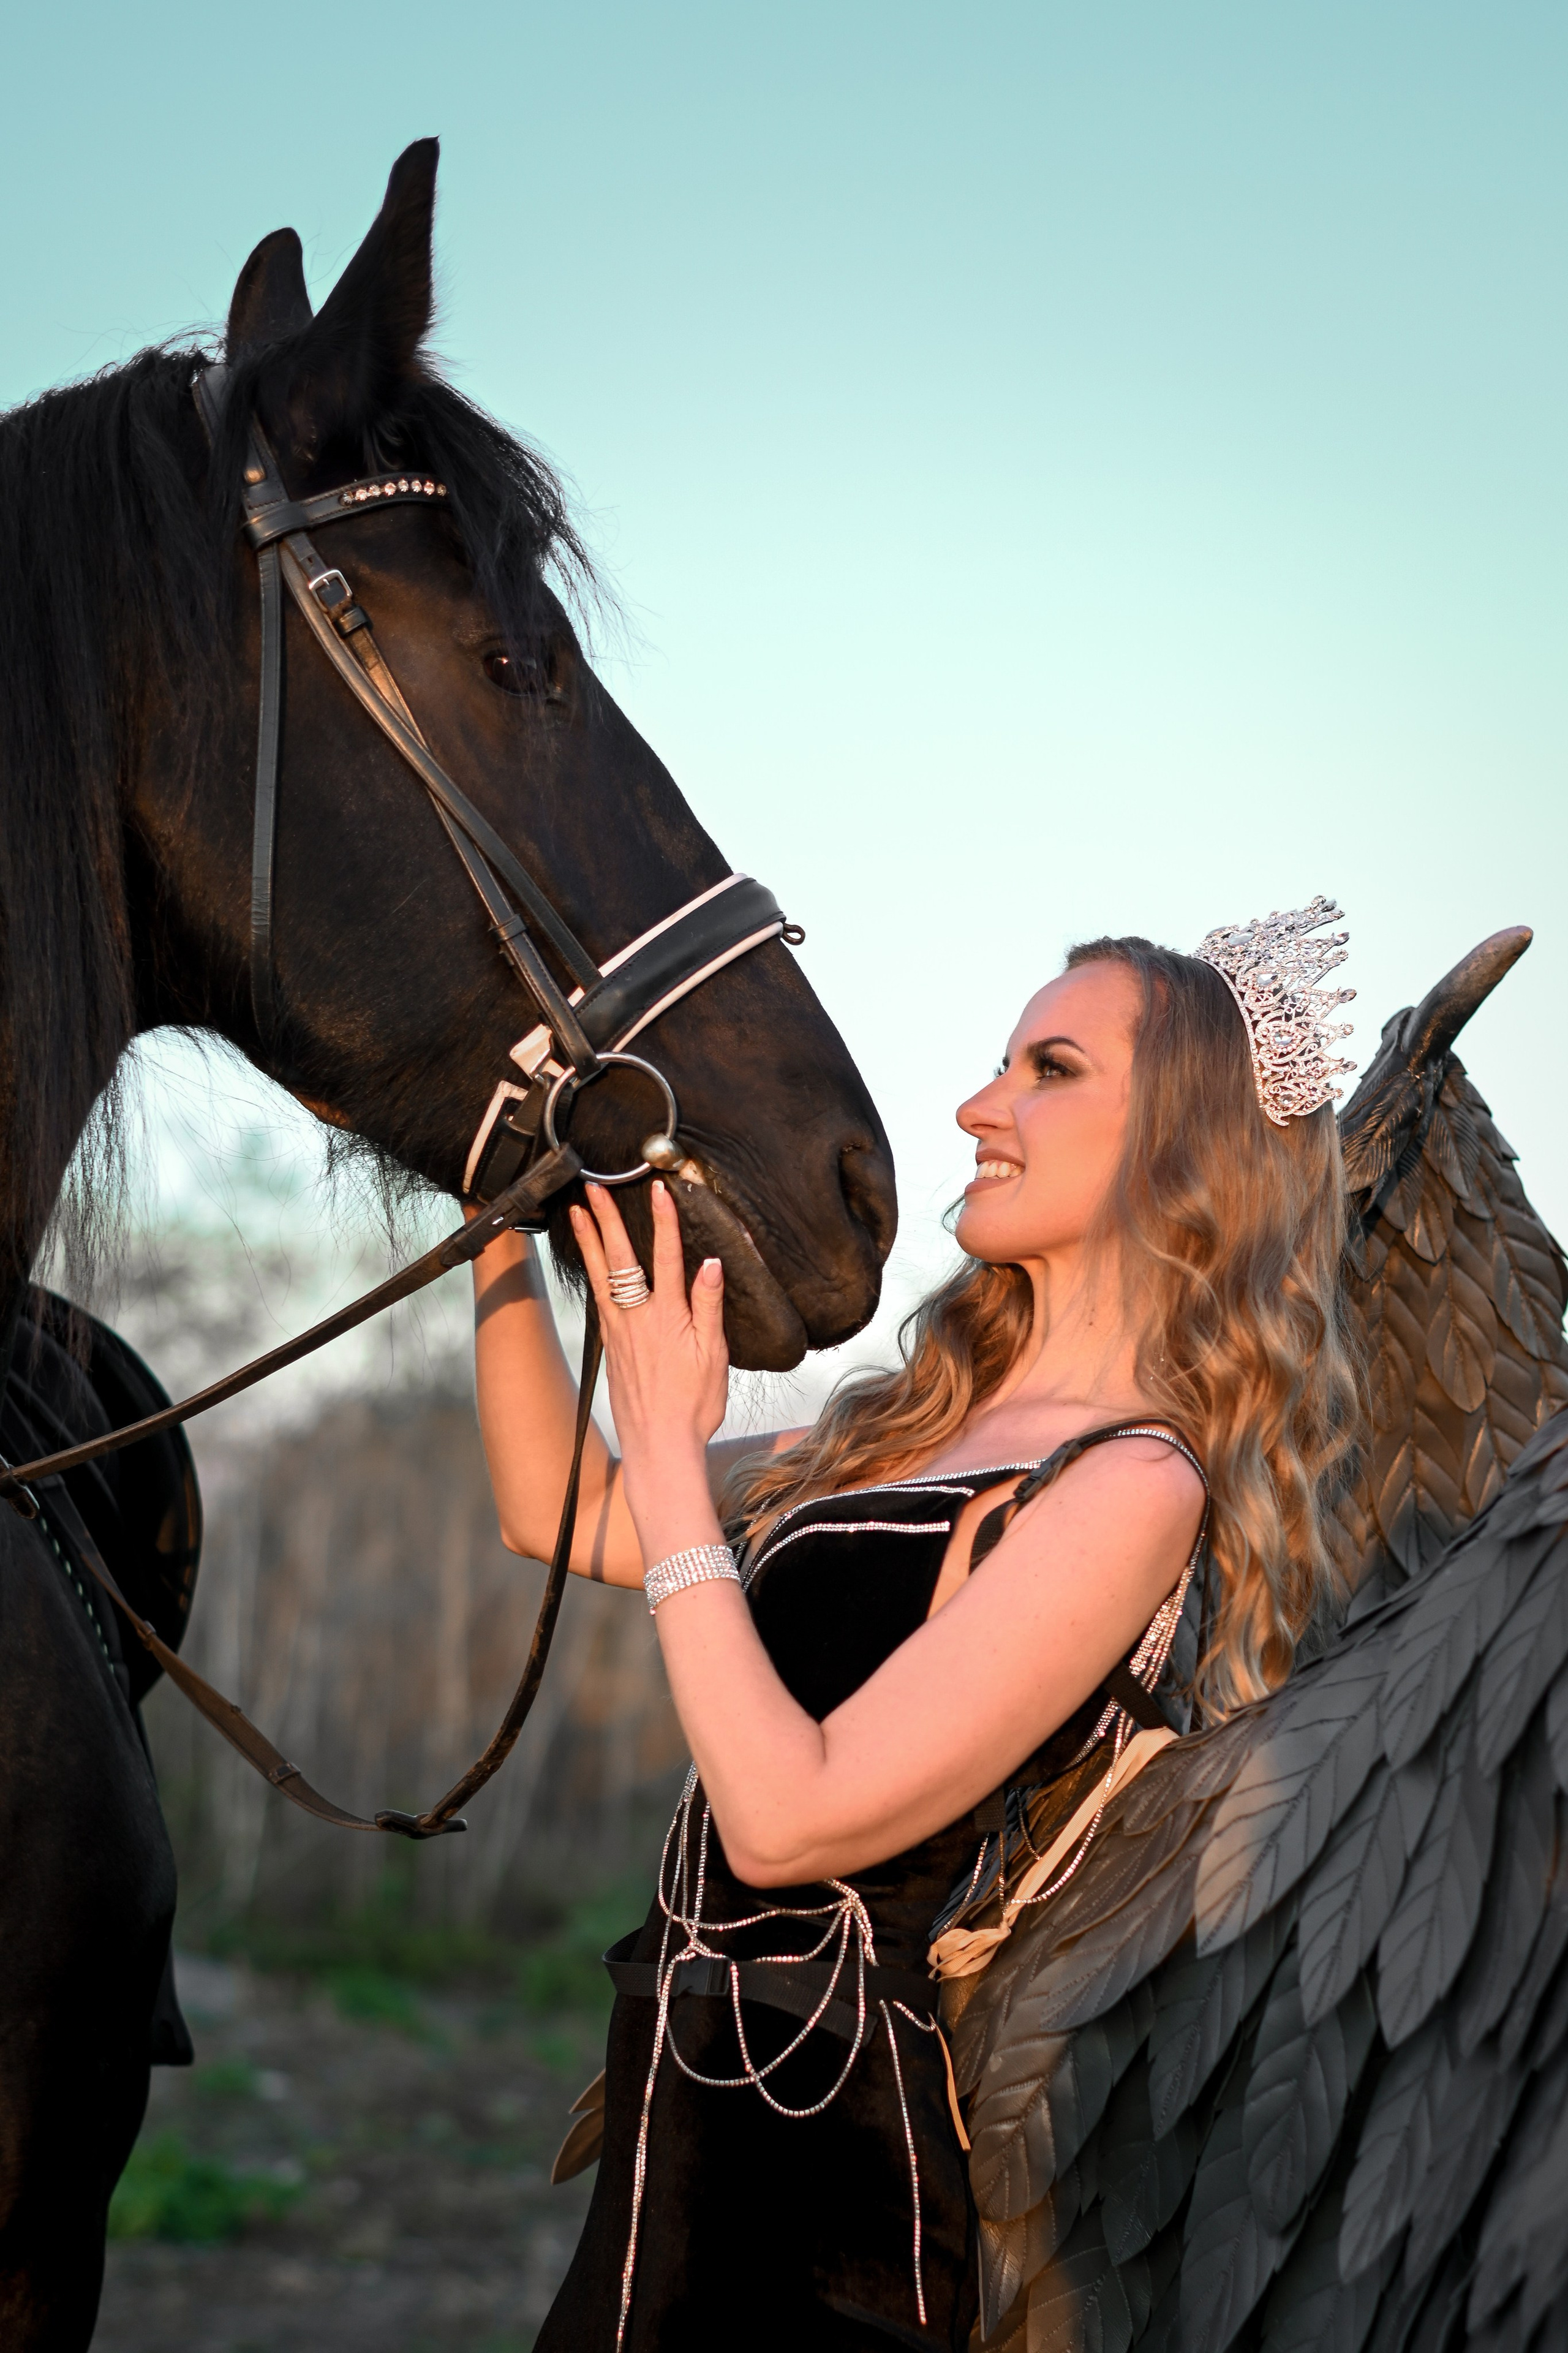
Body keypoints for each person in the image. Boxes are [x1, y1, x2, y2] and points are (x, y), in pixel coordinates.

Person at [471, 920, 1362, 2353]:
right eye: (1000, 1060)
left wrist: (661, 1435)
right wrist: (496, 1224)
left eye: (1047, 1068)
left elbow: (784, 1818)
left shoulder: (1133, 1482)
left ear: (1179, 1149)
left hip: (832, 2170)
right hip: (676, 2101)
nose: (974, 1106)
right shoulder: (891, 1430)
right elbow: (551, 1504)